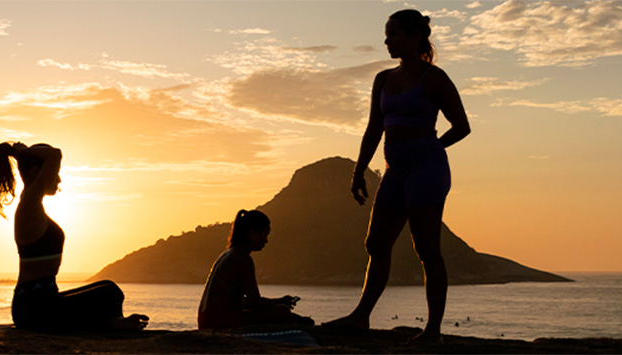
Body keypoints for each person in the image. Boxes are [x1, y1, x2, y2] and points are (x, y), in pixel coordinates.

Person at [322, 9, 471, 344]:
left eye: (394, 34)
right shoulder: (383, 79)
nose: (387, 40)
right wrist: (359, 169)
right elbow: (375, 128)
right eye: (386, 34)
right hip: (394, 170)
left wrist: (432, 147)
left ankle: (433, 331)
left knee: (427, 248)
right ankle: (361, 318)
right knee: (376, 243)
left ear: (415, 36)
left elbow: (462, 127)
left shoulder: (434, 78)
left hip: (426, 169)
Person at [0, 141, 149, 332]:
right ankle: (112, 325)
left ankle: (113, 322)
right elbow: (55, 154)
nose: (59, 180)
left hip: (42, 303)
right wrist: (21, 152)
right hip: (34, 309)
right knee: (109, 293)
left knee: (108, 287)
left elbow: (51, 158)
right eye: (55, 173)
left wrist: (21, 155)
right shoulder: (29, 203)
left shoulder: (33, 204)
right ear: (36, 173)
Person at [198, 209, 314, 330]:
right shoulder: (242, 259)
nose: (266, 241)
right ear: (253, 233)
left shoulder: (228, 254)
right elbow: (255, 303)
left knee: (283, 312)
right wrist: (280, 301)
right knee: (283, 311)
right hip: (220, 322)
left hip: (208, 320)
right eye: (264, 235)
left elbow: (242, 302)